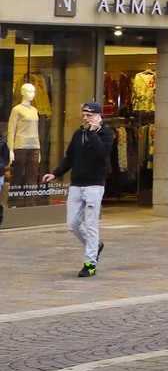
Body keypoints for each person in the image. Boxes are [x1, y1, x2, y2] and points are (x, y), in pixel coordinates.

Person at [45, 100, 116, 277]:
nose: (86, 119)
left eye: (89, 115)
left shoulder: (107, 134)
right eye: (84, 115)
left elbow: (102, 154)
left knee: (91, 224)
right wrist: (55, 173)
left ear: (99, 116)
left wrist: (93, 132)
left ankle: (90, 263)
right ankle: (95, 246)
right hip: (77, 184)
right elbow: (70, 158)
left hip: (94, 185)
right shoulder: (78, 134)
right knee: (72, 224)